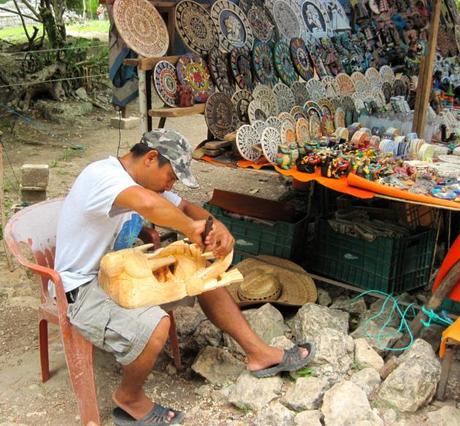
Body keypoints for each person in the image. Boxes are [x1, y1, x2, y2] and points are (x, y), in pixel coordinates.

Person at [55, 129, 315, 425]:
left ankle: (259, 354)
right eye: (172, 176)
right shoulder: (101, 175)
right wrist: (192, 229)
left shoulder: (142, 181)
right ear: (151, 158)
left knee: (202, 276)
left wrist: (214, 225)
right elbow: (151, 205)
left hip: (121, 272)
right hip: (82, 288)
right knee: (156, 325)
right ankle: (128, 397)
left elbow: (185, 207)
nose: (171, 184)